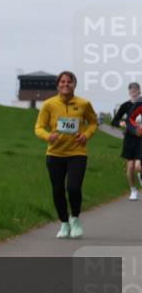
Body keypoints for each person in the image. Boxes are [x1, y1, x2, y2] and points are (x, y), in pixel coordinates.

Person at [34, 71, 98, 238]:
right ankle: (64, 223)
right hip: (55, 153)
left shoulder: (84, 104)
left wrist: (86, 135)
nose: (65, 84)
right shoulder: (48, 104)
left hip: (77, 152)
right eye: (62, 82)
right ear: (57, 85)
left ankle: (75, 219)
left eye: (69, 82)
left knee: (73, 188)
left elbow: (93, 122)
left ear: (74, 85)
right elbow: (38, 127)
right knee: (57, 190)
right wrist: (48, 136)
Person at [111, 82, 142, 201]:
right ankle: (133, 190)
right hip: (130, 138)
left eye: (136, 89)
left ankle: (140, 174)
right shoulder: (125, 105)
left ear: (139, 91)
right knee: (130, 167)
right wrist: (121, 123)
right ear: (129, 92)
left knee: (138, 166)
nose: (133, 91)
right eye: (131, 89)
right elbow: (114, 121)